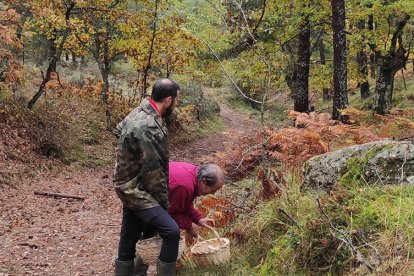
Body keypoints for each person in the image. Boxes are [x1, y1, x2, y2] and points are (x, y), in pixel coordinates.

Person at [113, 78, 180, 276]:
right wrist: (164, 207)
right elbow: (153, 173)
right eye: (176, 99)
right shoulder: (149, 125)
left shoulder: (139, 112)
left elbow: (118, 130)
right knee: (171, 231)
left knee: (128, 239)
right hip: (137, 190)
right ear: (168, 100)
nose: (176, 104)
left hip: (127, 186)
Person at [168, 162, 224, 238]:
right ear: (203, 181)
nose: (213, 194)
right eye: (212, 190)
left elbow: (184, 203)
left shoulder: (194, 173)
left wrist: (198, 218)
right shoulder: (184, 187)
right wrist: (189, 225)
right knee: (172, 232)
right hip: (147, 199)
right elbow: (169, 213)